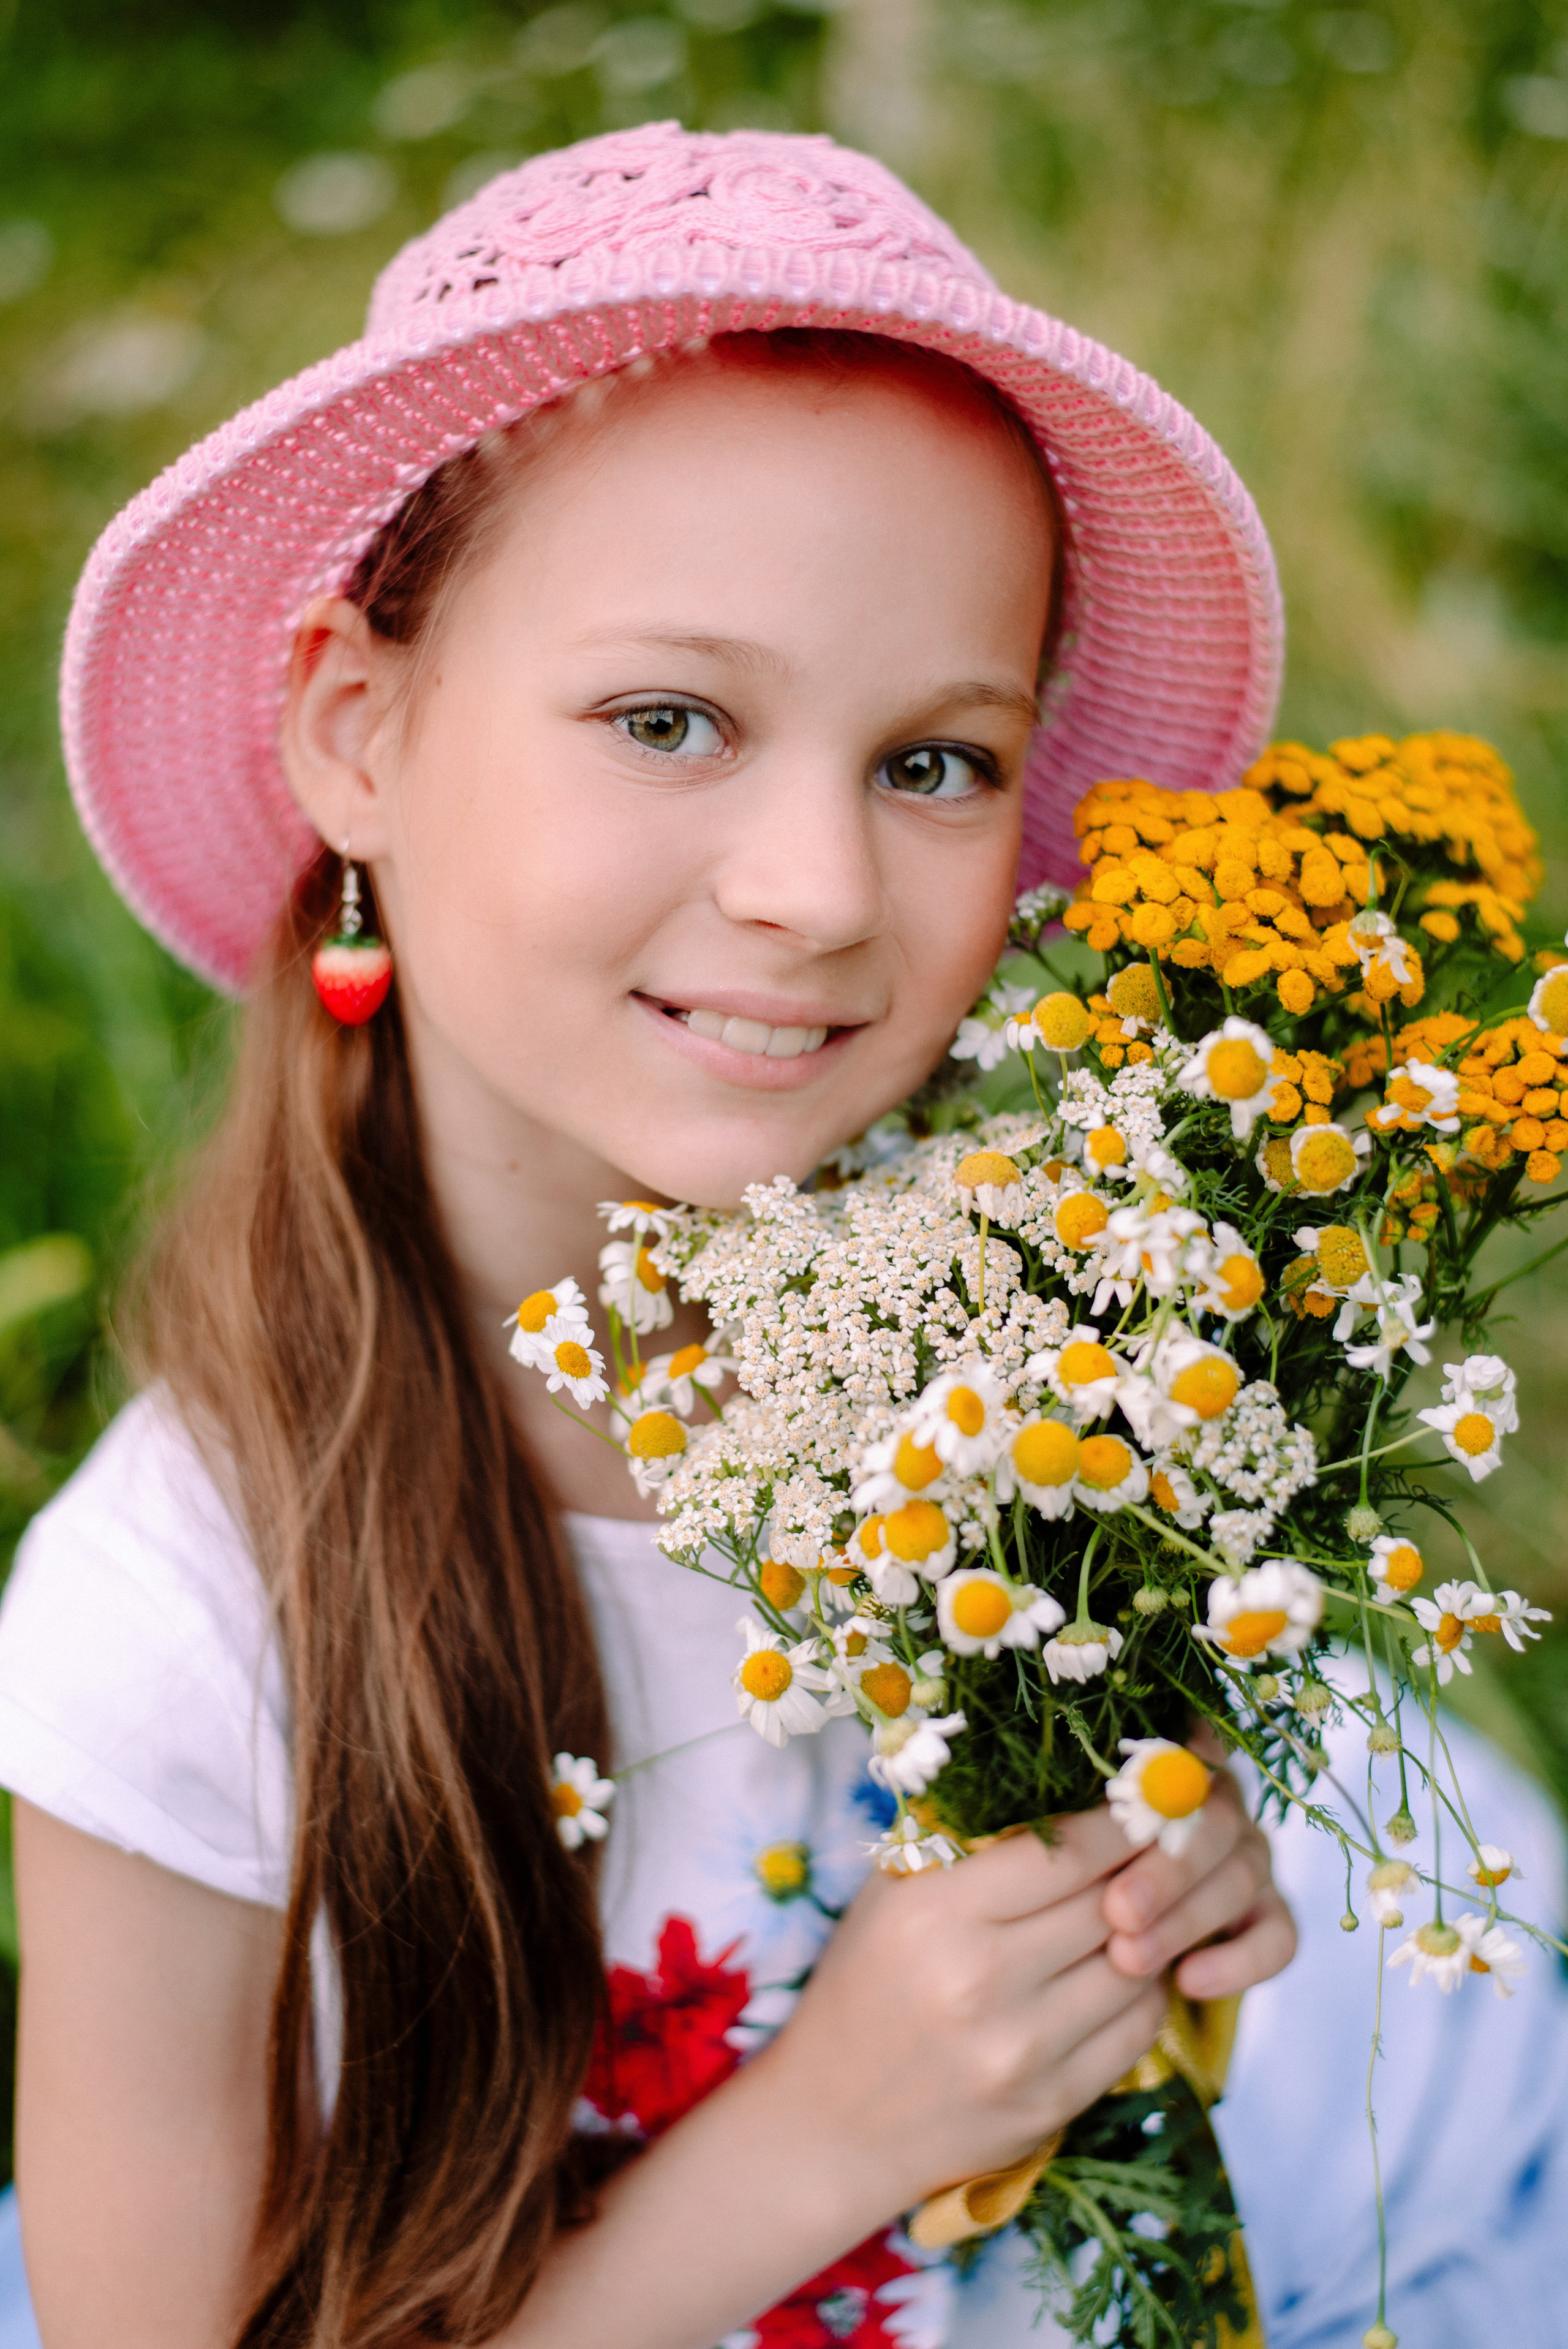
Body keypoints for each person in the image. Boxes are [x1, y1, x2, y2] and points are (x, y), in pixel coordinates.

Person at [0, 116, 1420, 2349]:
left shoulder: (1030, 1351)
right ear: (357, 735)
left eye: (937, 760)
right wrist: (828, 2134)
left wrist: (1127, 1891)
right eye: (670, 719)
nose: (824, 891)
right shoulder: (183, 1622)